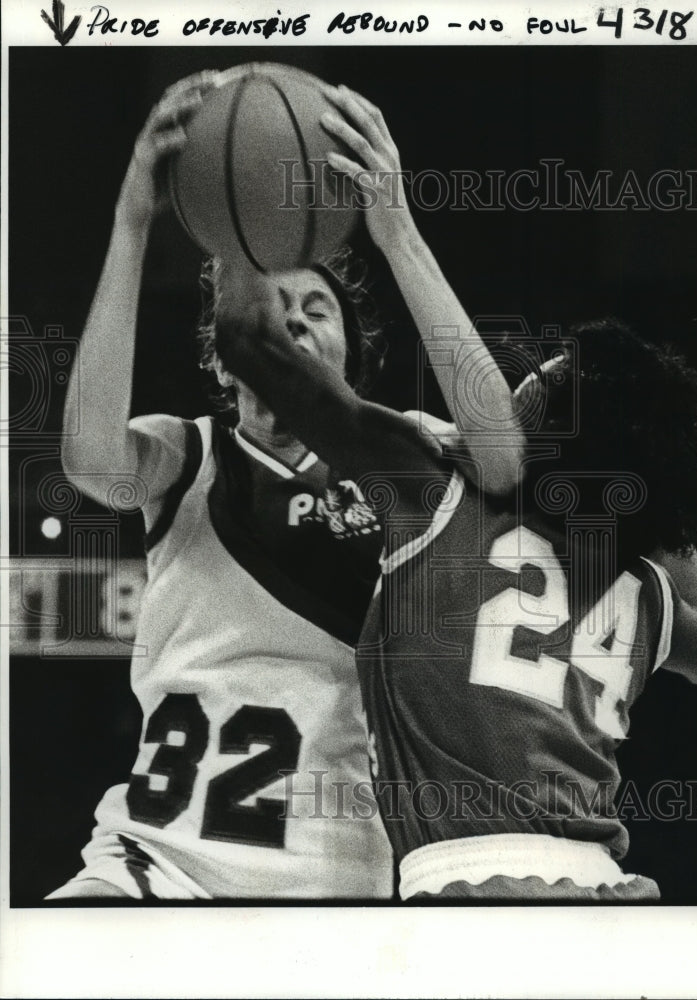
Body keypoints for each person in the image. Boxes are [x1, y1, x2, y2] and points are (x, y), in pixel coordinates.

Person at [216, 85, 697, 901]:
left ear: (557, 430)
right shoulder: (646, 590)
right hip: (609, 889)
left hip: (478, 895)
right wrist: (653, 494)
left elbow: (250, 340)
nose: (524, 376)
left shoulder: (434, 493)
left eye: (546, 378)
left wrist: (237, 218)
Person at [52, 68, 517, 901]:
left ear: (350, 351)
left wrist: (397, 230)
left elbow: (503, 448)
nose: (296, 316)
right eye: (277, 302)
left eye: (318, 305)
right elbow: (89, 460)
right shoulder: (187, 457)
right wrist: (132, 221)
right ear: (229, 353)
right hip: (159, 862)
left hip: (339, 882)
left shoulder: (405, 458)